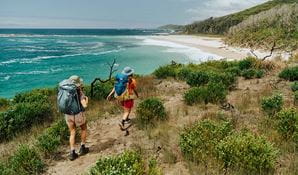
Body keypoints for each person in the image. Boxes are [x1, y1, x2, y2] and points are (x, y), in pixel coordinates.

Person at [107, 67, 139, 134]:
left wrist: (110, 94)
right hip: (128, 97)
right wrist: (137, 95)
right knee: (127, 111)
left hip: (120, 97)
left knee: (126, 109)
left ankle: (126, 119)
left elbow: (115, 87)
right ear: (131, 74)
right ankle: (122, 122)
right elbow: (134, 89)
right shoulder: (132, 81)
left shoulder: (120, 80)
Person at [65, 75, 89, 161]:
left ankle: (72, 153)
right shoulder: (79, 92)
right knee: (83, 128)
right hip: (78, 114)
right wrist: (86, 99)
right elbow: (85, 105)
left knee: (72, 132)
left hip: (68, 115)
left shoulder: (65, 90)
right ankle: (82, 148)